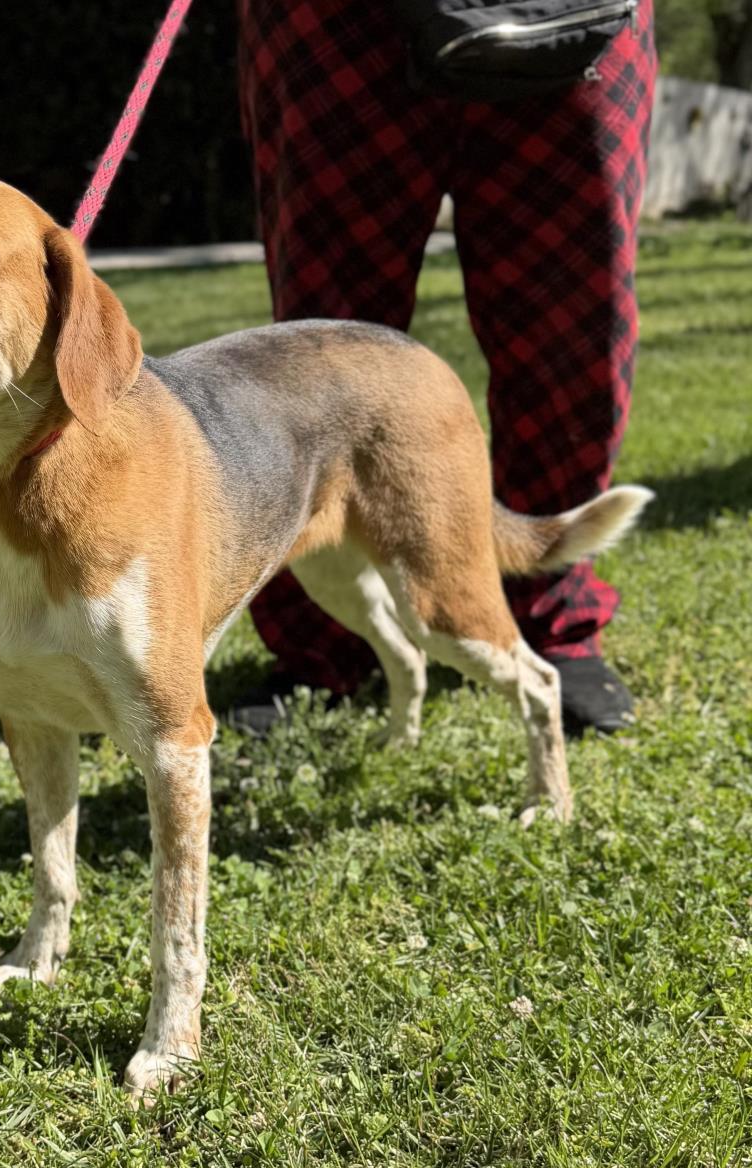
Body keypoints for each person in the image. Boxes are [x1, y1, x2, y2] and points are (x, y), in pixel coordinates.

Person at [233, 0, 658, 736]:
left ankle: (552, 611)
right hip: (332, 22)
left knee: (575, 325)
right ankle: (321, 637)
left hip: (574, 11)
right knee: (319, 349)